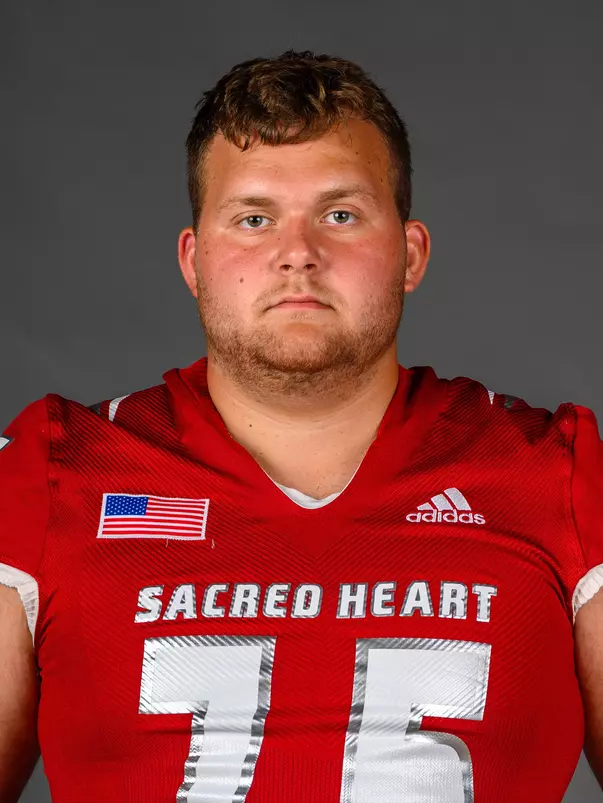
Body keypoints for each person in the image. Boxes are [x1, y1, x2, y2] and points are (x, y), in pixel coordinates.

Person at [0, 48, 601, 803]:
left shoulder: (554, 470)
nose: (297, 256)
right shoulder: (54, 470)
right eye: (254, 218)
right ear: (194, 259)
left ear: (409, 253)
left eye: (340, 214)